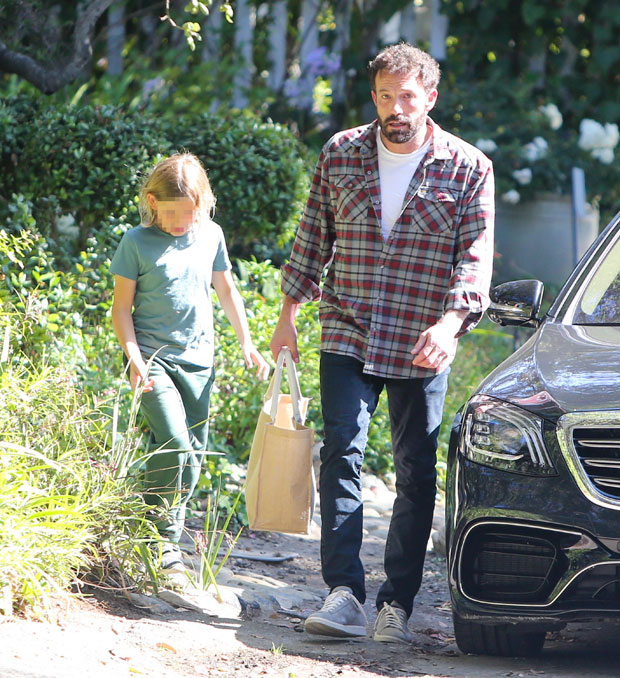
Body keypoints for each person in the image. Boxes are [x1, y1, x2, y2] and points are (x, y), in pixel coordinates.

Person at [269, 43, 494, 643]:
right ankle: (344, 593)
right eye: (386, 96)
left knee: (416, 470)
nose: (396, 108)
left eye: (408, 97)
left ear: (431, 98)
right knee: (341, 450)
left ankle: (398, 600)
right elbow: (311, 236)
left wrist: (449, 327)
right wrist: (288, 314)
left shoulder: (469, 167)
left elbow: (474, 265)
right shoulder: (340, 154)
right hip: (348, 322)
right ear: (374, 96)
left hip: (421, 336)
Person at [111, 153, 269, 572]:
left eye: (190, 212)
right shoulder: (136, 242)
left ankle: (166, 535)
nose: (181, 222)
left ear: (203, 205)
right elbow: (121, 310)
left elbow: (228, 292)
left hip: (199, 362)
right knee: (174, 445)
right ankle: (155, 535)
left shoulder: (210, 234)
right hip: (152, 360)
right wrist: (134, 357)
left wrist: (248, 343)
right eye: (171, 213)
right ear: (151, 201)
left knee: (194, 458)